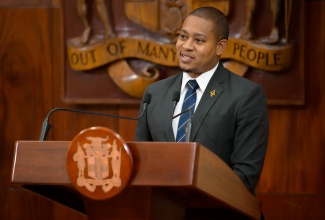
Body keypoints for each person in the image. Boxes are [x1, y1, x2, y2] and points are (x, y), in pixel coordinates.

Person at [135, 6, 269, 195]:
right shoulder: (154, 93)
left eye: (198, 40)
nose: (186, 46)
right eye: (183, 36)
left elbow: (245, 175)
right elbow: (141, 161)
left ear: (220, 47)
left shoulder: (246, 95)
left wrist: (190, 196)